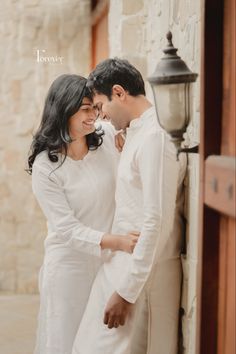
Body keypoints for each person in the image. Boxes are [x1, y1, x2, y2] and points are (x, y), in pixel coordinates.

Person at [72, 59, 187, 354]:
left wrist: (126, 292)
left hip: (139, 274)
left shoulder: (155, 138)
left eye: (100, 107)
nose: (100, 117)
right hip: (118, 264)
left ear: (119, 93)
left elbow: (155, 220)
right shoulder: (137, 133)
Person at [27, 74, 139, 354]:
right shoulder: (46, 167)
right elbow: (67, 229)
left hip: (109, 264)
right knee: (66, 341)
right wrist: (121, 242)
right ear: (64, 109)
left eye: (95, 108)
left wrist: (128, 138)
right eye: (85, 109)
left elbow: (137, 129)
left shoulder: (107, 137)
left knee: (102, 343)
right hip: (69, 268)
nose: (94, 115)